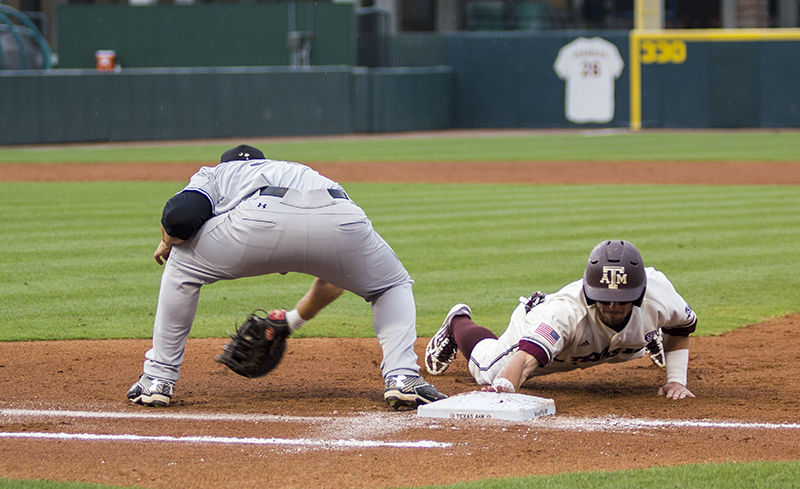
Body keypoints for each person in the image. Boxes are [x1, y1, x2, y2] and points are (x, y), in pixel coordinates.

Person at [126, 144, 446, 410]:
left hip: (259, 219)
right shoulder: (300, 170)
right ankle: (403, 377)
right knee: (391, 284)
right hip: (340, 215)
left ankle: (157, 379)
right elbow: (334, 281)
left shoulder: (218, 172)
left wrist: (168, 241)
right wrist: (291, 321)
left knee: (182, 265)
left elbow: (181, 216)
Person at [425, 240, 697, 400]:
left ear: (638, 294)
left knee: (637, 335)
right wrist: (504, 388)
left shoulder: (659, 296)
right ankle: (457, 321)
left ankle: (648, 336)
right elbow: (524, 360)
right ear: (591, 294)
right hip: (550, 341)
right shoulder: (564, 312)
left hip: (617, 342)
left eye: (622, 300)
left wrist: (676, 380)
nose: (613, 306)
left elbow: (681, 328)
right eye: (605, 299)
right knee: (487, 370)